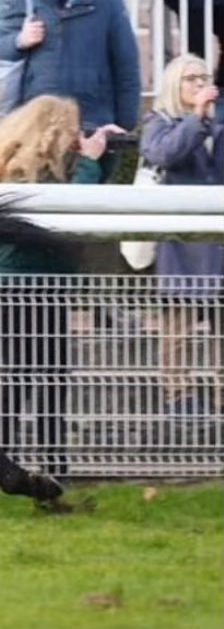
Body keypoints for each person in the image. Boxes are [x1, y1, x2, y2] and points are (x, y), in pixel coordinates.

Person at [0, 94, 124, 476]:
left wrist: (105, 154)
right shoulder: (22, 170)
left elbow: (88, 195)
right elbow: (71, 206)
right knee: (24, 375)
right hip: (20, 285)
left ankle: (50, 462)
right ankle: (3, 459)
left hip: (42, 285)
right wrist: (91, 161)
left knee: (49, 374)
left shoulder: (45, 165)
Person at [0, 0, 140, 179]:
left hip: (92, 123)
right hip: (38, 126)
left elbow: (126, 64)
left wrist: (124, 123)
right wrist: (20, 40)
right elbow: (1, 47)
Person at [138, 54, 224, 441]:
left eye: (203, 77)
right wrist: (197, 120)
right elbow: (163, 155)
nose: (199, 83)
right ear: (175, 84)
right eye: (191, 78)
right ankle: (179, 398)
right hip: (181, 250)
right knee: (177, 331)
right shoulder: (160, 124)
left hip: (218, 246)